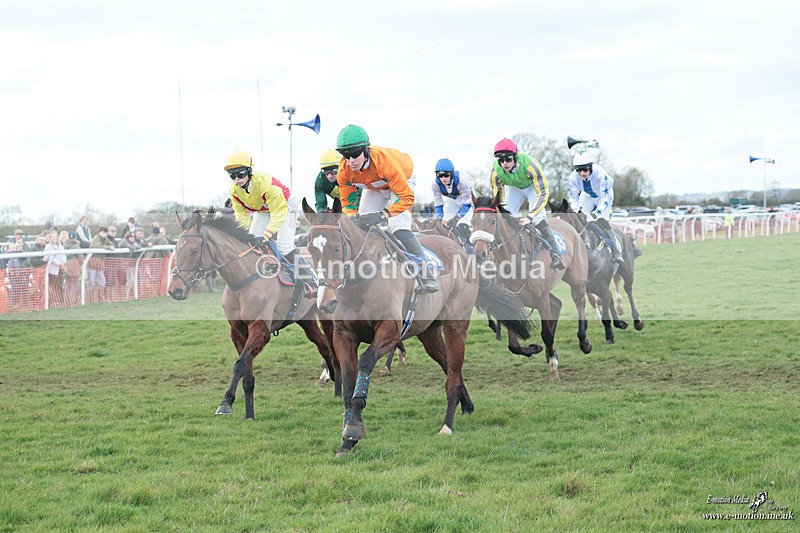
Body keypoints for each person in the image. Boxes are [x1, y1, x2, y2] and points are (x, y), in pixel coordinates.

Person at [336, 124, 439, 293]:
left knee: (397, 226)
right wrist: (353, 217)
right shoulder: (344, 171)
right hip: (374, 185)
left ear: (366, 150)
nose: (350, 161)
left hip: (401, 178)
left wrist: (383, 215)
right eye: (345, 156)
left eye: (354, 154)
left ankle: (425, 269)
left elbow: (407, 198)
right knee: (358, 225)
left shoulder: (384, 163)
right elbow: (348, 204)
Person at [224, 149, 316, 297]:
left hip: (285, 206)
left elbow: (279, 214)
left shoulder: (266, 184)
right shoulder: (234, 190)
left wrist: (266, 235)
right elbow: (242, 217)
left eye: (240, 174)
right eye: (232, 176)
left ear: (249, 171)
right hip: (263, 210)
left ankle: (312, 279)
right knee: (252, 244)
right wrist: (242, 235)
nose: (237, 179)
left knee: (285, 246)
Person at [490, 138, 565, 270]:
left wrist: (530, 217)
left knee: (537, 219)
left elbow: (543, 193)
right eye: (500, 160)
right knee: (503, 218)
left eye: (508, 159)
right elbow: (498, 198)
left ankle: (555, 253)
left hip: (533, 187)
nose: (504, 163)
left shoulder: (530, 166)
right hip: (514, 188)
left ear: (515, 156)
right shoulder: (496, 171)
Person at [567, 150, 624, 264]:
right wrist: (578, 211)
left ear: (591, 167)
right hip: (587, 195)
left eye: (585, 169)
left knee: (601, 220)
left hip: (604, 197)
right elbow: (574, 199)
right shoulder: (573, 178)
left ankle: (616, 248)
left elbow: (605, 199)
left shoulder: (601, 174)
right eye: (579, 170)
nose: (582, 173)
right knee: (582, 219)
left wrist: (595, 214)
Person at [431, 158, 474, 232]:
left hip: (468, 202)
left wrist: (456, 218)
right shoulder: (435, 184)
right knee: (444, 224)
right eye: (440, 176)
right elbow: (438, 204)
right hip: (453, 200)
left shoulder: (462, 181)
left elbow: (466, 204)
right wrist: (440, 218)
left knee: (463, 225)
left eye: (446, 175)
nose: (443, 179)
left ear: (452, 174)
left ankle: (469, 242)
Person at [88, 226, 115, 303]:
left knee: (102, 281)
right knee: (91, 282)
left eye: (106, 233)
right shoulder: (96, 238)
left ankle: (100, 299)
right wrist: (109, 247)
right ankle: (90, 300)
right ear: (99, 232)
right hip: (92, 262)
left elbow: (112, 245)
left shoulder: (105, 239)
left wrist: (110, 246)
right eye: (103, 232)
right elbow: (98, 246)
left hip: (100, 262)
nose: (105, 234)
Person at [43, 230, 67, 306]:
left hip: (60, 269)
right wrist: (59, 264)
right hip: (52, 270)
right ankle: (53, 302)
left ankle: (60, 302)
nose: (54, 238)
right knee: (53, 286)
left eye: (55, 237)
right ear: (50, 238)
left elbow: (63, 256)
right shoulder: (48, 247)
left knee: (60, 286)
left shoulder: (60, 246)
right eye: (52, 237)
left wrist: (63, 262)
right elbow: (51, 258)